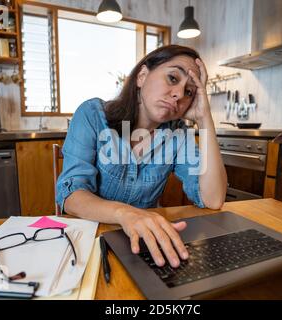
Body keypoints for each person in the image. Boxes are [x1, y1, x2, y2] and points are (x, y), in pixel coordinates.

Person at [56, 45, 227, 268]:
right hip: (87, 243)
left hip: (142, 246)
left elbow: (213, 199)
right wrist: (127, 214)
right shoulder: (92, 114)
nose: (178, 94)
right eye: (173, 78)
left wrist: (204, 118)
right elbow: (71, 195)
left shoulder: (178, 135)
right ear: (142, 76)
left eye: (189, 92)